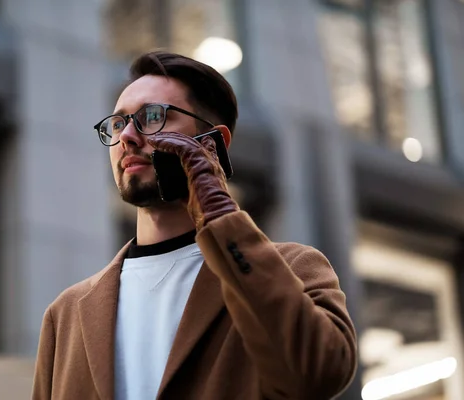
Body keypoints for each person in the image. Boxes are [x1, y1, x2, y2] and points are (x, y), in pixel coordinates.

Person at [31, 51, 357, 400]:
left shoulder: (292, 269)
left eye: (151, 116)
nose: (127, 135)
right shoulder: (66, 314)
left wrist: (217, 209)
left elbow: (320, 372)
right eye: (118, 123)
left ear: (213, 145)